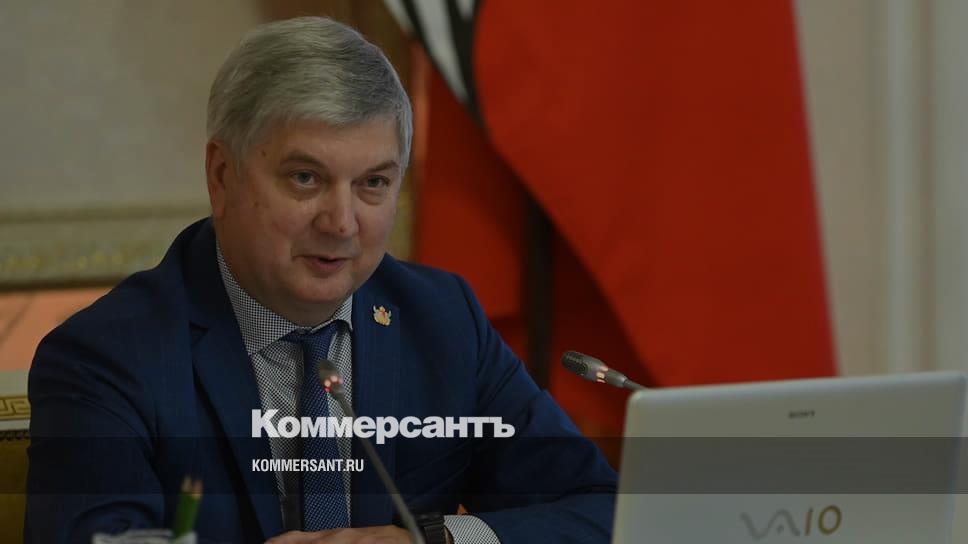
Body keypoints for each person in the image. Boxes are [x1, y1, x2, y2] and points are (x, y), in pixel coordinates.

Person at [25, 16, 616, 544]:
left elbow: (602, 510)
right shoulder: (106, 357)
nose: (341, 223)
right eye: (305, 178)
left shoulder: (443, 320)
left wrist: (431, 540)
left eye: (373, 183)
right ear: (222, 176)